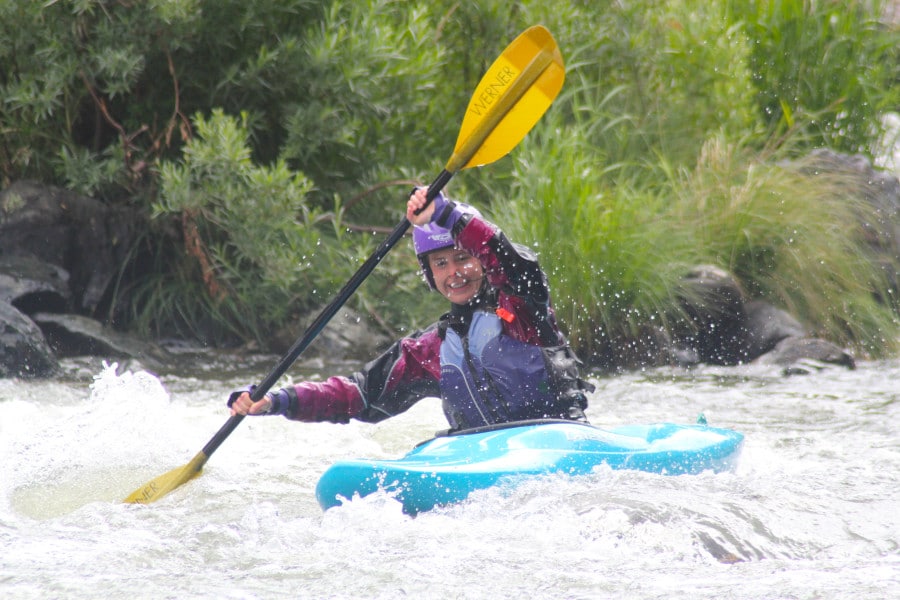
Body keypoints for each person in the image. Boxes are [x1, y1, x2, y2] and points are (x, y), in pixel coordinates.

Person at [228, 187, 594, 432]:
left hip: (555, 440)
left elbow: (510, 262)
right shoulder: (428, 351)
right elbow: (357, 395)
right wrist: (278, 400)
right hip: (479, 457)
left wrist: (450, 217)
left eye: (463, 258)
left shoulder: (519, 306)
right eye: (440, 264)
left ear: (480, 260)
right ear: (430, 275)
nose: (454, 273)